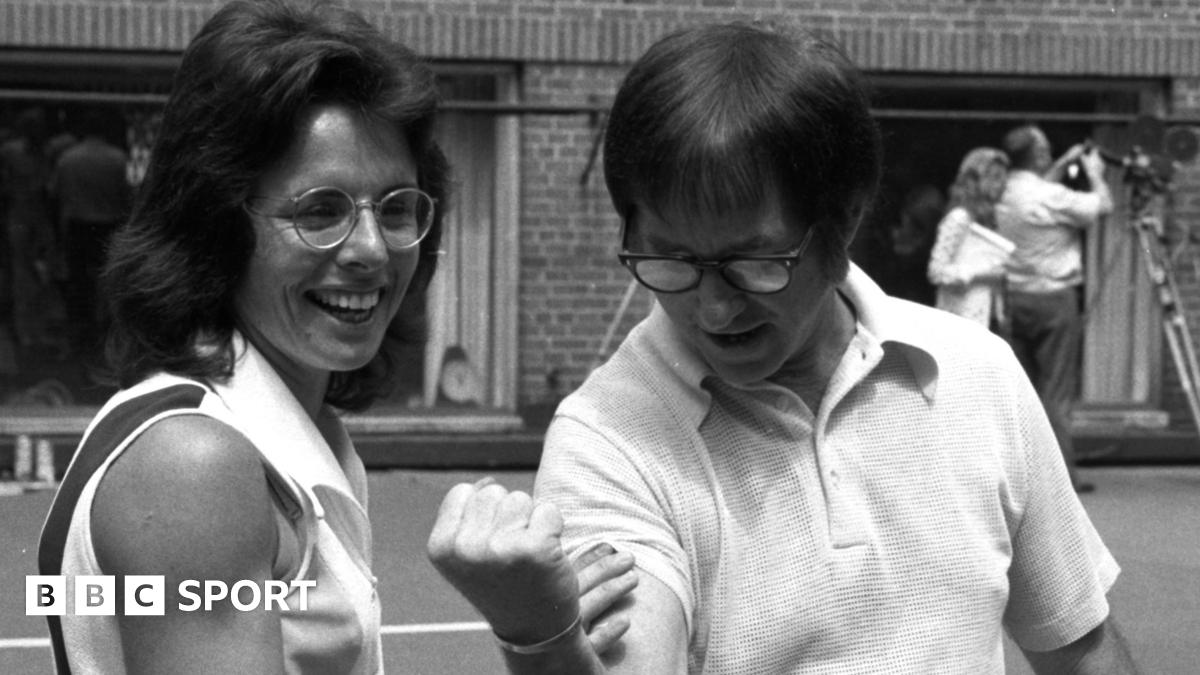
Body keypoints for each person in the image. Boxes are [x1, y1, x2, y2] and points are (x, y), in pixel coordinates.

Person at [428, 22, 1138, 674]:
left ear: (847, 218)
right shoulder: (608, 436)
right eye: (670, 257)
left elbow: (1082, 647)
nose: (712, 306)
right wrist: (542, 637)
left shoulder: (976, 373)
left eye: (755, 260)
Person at [36, 1, 630, 673]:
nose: (372, 249)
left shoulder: (287, 430)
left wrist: (540, 634)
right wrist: (536, 640)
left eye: (397, 207)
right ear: (215, 223)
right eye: (321, 210)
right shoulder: (193, 465)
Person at [996, 125, 1113, 494]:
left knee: (1022, 392)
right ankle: (1062, 480)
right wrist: (1094, 174)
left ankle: (1023, 477)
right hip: (1054, 299)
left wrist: (1062, 163)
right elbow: (1102, 206)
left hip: (1014, 298)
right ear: (1039, 155)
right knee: (1056, 392)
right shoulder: (1051, 195)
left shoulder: (1003, 191)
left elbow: (1038, 190)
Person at [49, 108, 134, 382]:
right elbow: (127, 197)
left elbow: (58, 197)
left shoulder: (68, 159)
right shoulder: (117, 158)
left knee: (81, 289)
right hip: (108, 226)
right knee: (109, 287)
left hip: (79, 226)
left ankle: (86, 342)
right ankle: (103, 339)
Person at [926, 147, 1014, 328]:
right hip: (961, 321)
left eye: (1004, 178)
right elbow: (936, 272)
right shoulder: (959, 218)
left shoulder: (990, 218)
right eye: (995, 177)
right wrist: (979, 275)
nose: (1003, 184)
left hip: (986, 318)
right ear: (973, 180)